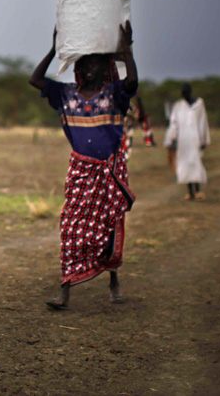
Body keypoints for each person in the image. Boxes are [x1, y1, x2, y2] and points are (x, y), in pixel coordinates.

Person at [29, 23, 137, 311]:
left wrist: (126, 51)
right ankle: (65, 289)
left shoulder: (114, 94)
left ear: (106, 67)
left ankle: (113, 277)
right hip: (80, 171)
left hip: (108, 171)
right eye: (84, 63)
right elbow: (34, 79)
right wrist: (55, 49)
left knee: (109, 225)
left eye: (95, 63)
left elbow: (132, 84)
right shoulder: (66, 94)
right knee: (71, 227)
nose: (89, 68)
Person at [165, 83, 211, 200]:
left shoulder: (199, 104)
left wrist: (204, 140)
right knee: (185, 165)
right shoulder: (178, 106)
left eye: (186, 91)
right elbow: (173, 124)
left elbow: (203, 122)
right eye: (182, 92)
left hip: (195, 140)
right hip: (183, 142)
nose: (184, 94)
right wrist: (171, 139)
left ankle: (198, 191)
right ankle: (190, 192)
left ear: (190, 91)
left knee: (195, 163)